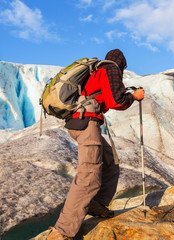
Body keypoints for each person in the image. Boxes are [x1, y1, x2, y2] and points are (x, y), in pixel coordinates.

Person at [47, 49, 145, 240]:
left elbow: (103, 97)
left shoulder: (96, 70)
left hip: (79, 123)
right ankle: (62, 231)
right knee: (88, 177)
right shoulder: (111, 68)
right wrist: (134, 97)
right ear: (122, 63)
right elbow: (116, 101)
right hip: (87, 123)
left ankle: (97, 204)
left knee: (109, 162)